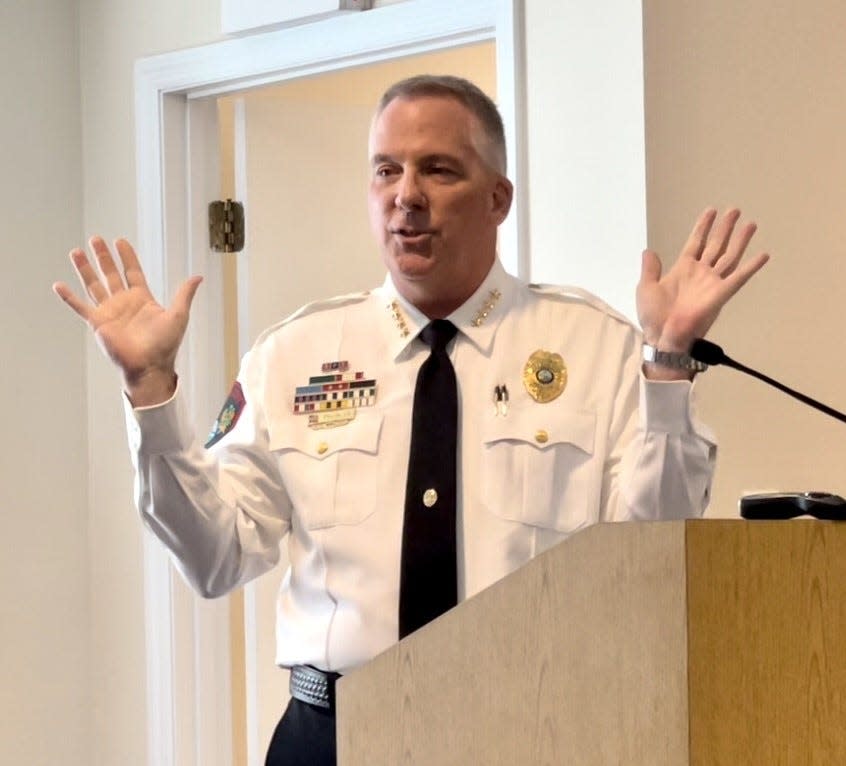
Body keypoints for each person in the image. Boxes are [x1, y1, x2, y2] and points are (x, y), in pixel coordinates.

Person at [53, 75, 769, 766]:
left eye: (438, 171)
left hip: (537, 725)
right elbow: (216, 559)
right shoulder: (294, 354)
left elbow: (647, 549)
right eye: (385, 171)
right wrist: (150, 392)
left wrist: (669, 361)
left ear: (498, 197)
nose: (406, 197)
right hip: (332, 735)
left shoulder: (596, 347)